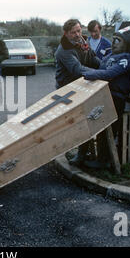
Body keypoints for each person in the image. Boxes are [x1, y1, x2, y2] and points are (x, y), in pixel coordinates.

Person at [82, 26, 130, 164]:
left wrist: (87, 74)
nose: (114, 43)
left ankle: (104, 161)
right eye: (113, 39)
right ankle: (99, 158)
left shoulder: (128, 58)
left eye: (118, 40)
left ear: (127, 44)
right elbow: (100, 65)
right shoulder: (110, 55)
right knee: (100, 129)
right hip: (103, 95)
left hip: (116, 98)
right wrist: (88, 53)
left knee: (110, 130)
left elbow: (109, 74)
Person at [55, 18, 101, 166]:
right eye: (73, 32)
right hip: (68, 90)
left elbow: (94, 59)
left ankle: (83, 152)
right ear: (66, 34)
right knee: (76, 122)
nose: (77, 34)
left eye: (79, 30)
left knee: (88, 118)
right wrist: (103, 73)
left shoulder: (83, 43)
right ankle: (77, 153)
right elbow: (78, 69)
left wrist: (106, 66)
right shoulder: (63, 51)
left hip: (83, 86)